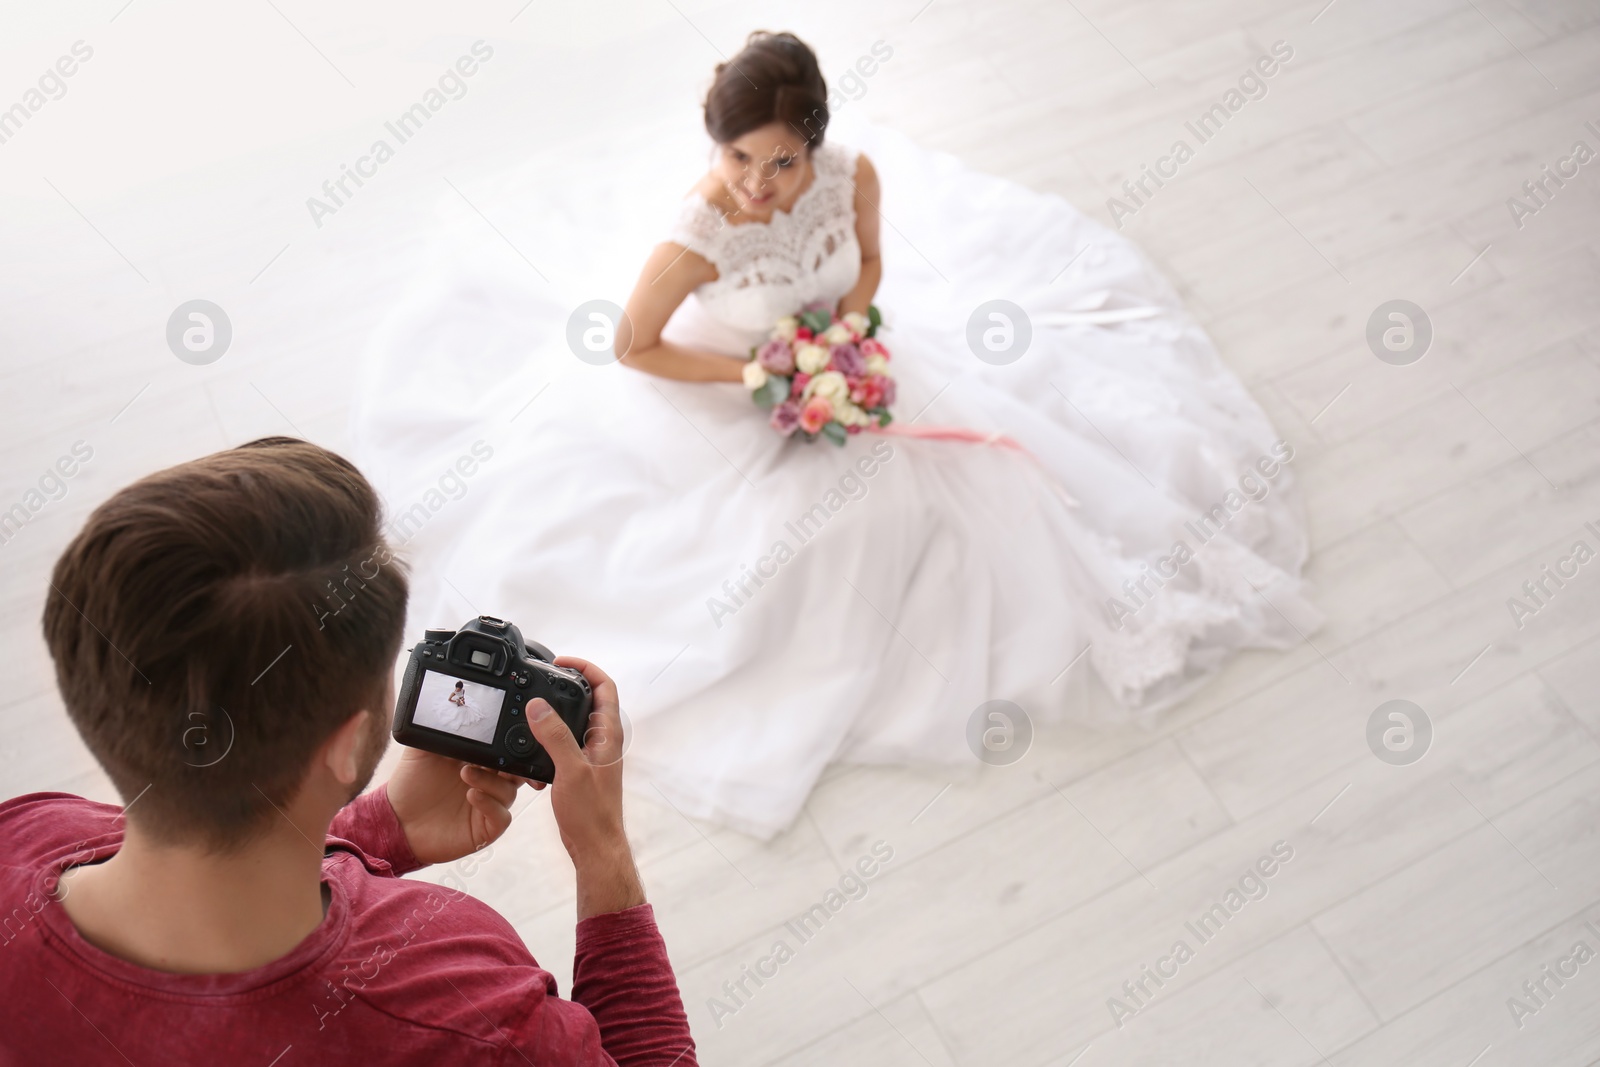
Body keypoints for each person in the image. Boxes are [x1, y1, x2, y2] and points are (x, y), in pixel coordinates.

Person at [351, 31, 1322, 839]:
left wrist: (845, 334)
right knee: (793, 558)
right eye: (739, 160)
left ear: (813, 142)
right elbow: (634, 346)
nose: (761, 184)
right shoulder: (696, 236)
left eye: (781, 160)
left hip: (826, 351)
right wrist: (763, 373)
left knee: (979, 479)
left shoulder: (852, 175)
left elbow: (866, 266)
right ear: (714, 149)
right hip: (718, 386)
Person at [0, 437, 696, 1066]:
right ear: (343, 743)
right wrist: (602, 851)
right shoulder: (463, 1004)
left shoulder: (22, 831)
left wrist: (378, 828)